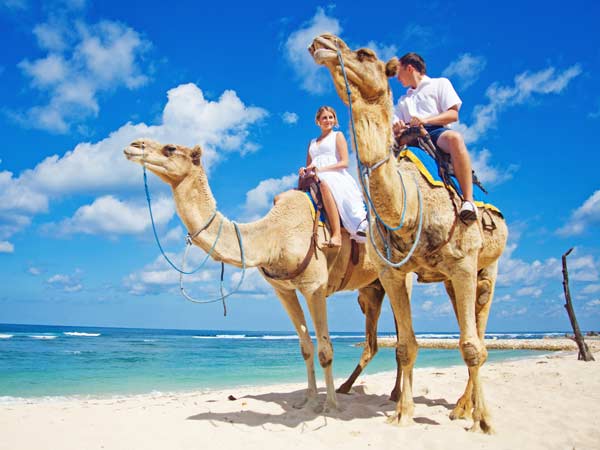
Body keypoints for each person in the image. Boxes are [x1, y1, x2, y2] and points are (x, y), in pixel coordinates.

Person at [386, 53, 477, 223]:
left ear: (409, 68)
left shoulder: (440, 84)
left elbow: (453, 114)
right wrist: (397, 128)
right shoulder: (403, 100)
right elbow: (394, 124)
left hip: (435, 131)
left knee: (455, 138)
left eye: (398, 72)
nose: (397, 78)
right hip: (409, 139)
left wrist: (425, 120)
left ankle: (468, 201)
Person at [299, 106, 367, 247]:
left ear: (335, 120)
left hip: (334, 174)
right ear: (318, 121)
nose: (328, 120)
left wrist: (321, 170)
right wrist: (304, 170)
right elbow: (309, 165)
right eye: (324, 117)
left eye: (331, 117)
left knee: (324, 184)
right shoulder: (312, 143)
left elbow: (344, 162)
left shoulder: (338, 136)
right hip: (315, 174)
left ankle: (337, 235)